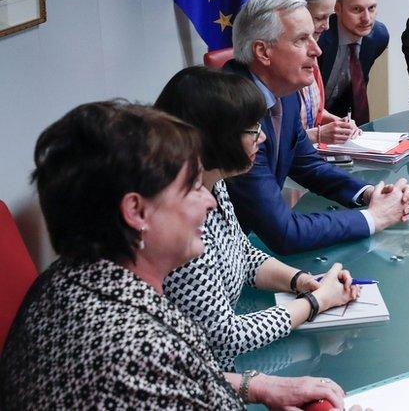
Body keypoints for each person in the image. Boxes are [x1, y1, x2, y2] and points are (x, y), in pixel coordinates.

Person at [0, 101, 353, 409]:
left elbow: (180, 381)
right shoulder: (137, 349)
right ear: (136, 212)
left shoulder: (63, 280)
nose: (210, 201)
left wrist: (256, 385)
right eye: (192, 187)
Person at [156, 67, 362, 370]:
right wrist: (316, 303)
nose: (262, 137)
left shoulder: (214, 182)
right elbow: (226, 336)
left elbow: (243, 254)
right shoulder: (183, 223)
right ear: (216, 137)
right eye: (253, 129)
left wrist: (302, 281)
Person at [224, 0, 409, 254]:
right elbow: (285, 233)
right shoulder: (236, 113)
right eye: (302, 40)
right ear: (263, 51)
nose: (316, 50)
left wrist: (369, 194)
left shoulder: (284, 93)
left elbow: (307, 165)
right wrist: (375, 217)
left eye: (313, 37)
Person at [275, 0, 361, 145]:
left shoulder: (312, 54)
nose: (327, 26)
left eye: (330, 17)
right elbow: (272, 140)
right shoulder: (280, 66)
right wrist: (317, 135)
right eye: (320, 18)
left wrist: (338, 124)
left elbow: (315, 113)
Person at [317, 0, 389, 125]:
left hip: (343, 120)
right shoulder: (319, 38)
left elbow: (358, 87)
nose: (366, 19)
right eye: (356, 9)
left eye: (372, 8)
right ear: (337, 8)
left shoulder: (379, 37)